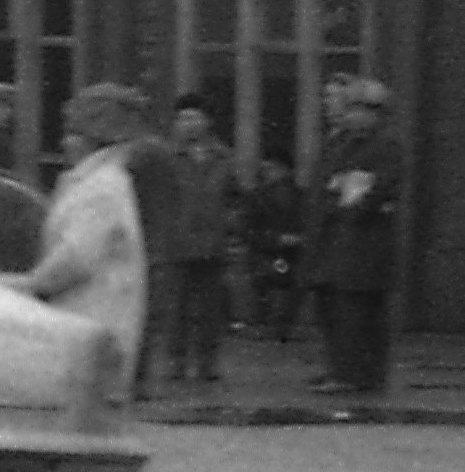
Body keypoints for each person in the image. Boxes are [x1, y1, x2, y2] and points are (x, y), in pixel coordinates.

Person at [13, 80, 150, 472]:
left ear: (94, 139)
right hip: (87, 315)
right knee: (83, 419)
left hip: (93, 317)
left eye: (74, 133)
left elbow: (76, 257)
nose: (65, 140)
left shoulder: (101, 188)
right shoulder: (92, 183)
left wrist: (30, 286)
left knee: (87, 421)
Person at [309, 78, 405, 403]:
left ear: (375, 114)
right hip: (342, 239)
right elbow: (333, 184)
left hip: (367, 240)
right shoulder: (346, 144)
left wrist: (349, 201)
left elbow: (374, 189)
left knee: (359, 311)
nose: (351, 116)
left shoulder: (386, 146)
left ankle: (357, 374)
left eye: (358, 110)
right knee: (341, 307)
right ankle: (346, 371)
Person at [157, 99, 235, 389]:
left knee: (211, 308)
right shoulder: (167, 158)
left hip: (213, 242)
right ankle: (175, 360)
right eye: (183, 118)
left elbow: (233, 196)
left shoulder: (223, 157)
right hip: (176, 242)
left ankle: (207, 361)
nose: (189, 124)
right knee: (176, 306)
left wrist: (228, 225)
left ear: (207, 122)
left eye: (194, 118)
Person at [115, 89, 182, 399]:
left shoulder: (139, 152)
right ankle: (135, 378)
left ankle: (130, 378)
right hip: (155, 237)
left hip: (141, 237)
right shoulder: (157, 150)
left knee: (135, 309)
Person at [238, 153, 306, 341]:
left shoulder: (301, 197)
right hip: (265, 255)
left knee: (288, 292)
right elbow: (247, 229)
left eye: (273, 169)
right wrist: (276, 239)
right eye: (266, 169)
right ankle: (266, 326)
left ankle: (281, 328)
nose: (269, 174)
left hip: (293, 255)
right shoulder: (256, 197)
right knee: (265, 287)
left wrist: (299, 239)